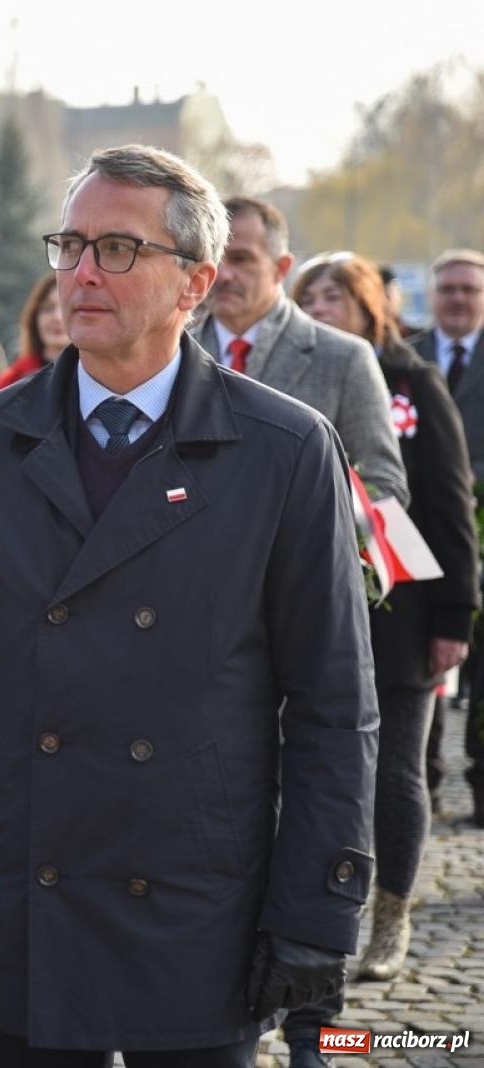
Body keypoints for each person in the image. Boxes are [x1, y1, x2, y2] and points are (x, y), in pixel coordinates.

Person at [0, 144, 377, 1068]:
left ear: (195, 282)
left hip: (198, 899)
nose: (79, 273)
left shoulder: (283, 449)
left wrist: (318, 905)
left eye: (115, 249)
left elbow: (331, 706)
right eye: (68, 245)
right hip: (32, 884)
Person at [288, 252, 476, 1045]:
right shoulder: (286, 376)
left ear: (370, 305)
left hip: (401, 616)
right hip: (312, 616)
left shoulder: (408, 382)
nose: (323, 305)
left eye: (337, 293)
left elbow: (444, 501)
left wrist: (455, 620)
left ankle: (391, 915)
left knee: (398, 770)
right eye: (312, 295)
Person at [192, 196, 408, 508]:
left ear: (281, 268)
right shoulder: (171, 354)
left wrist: (294, 525)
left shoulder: (344, 357)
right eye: (215, 258)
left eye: (241, 259)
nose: (223, 274)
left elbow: (384, 484)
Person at [410, 248, 484, 826]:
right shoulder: (402, 358)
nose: (459, 299)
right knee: (427, 664)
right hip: (417, 536)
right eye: (449, 289)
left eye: (470, 290)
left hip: (473, 525)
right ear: (432, 296)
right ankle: (425, 776)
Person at [0, 274, 69, 393]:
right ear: (34, 318)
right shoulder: (10, 384)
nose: (57, 317)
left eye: (66, 307)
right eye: (47, 308)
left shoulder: (99, 381)